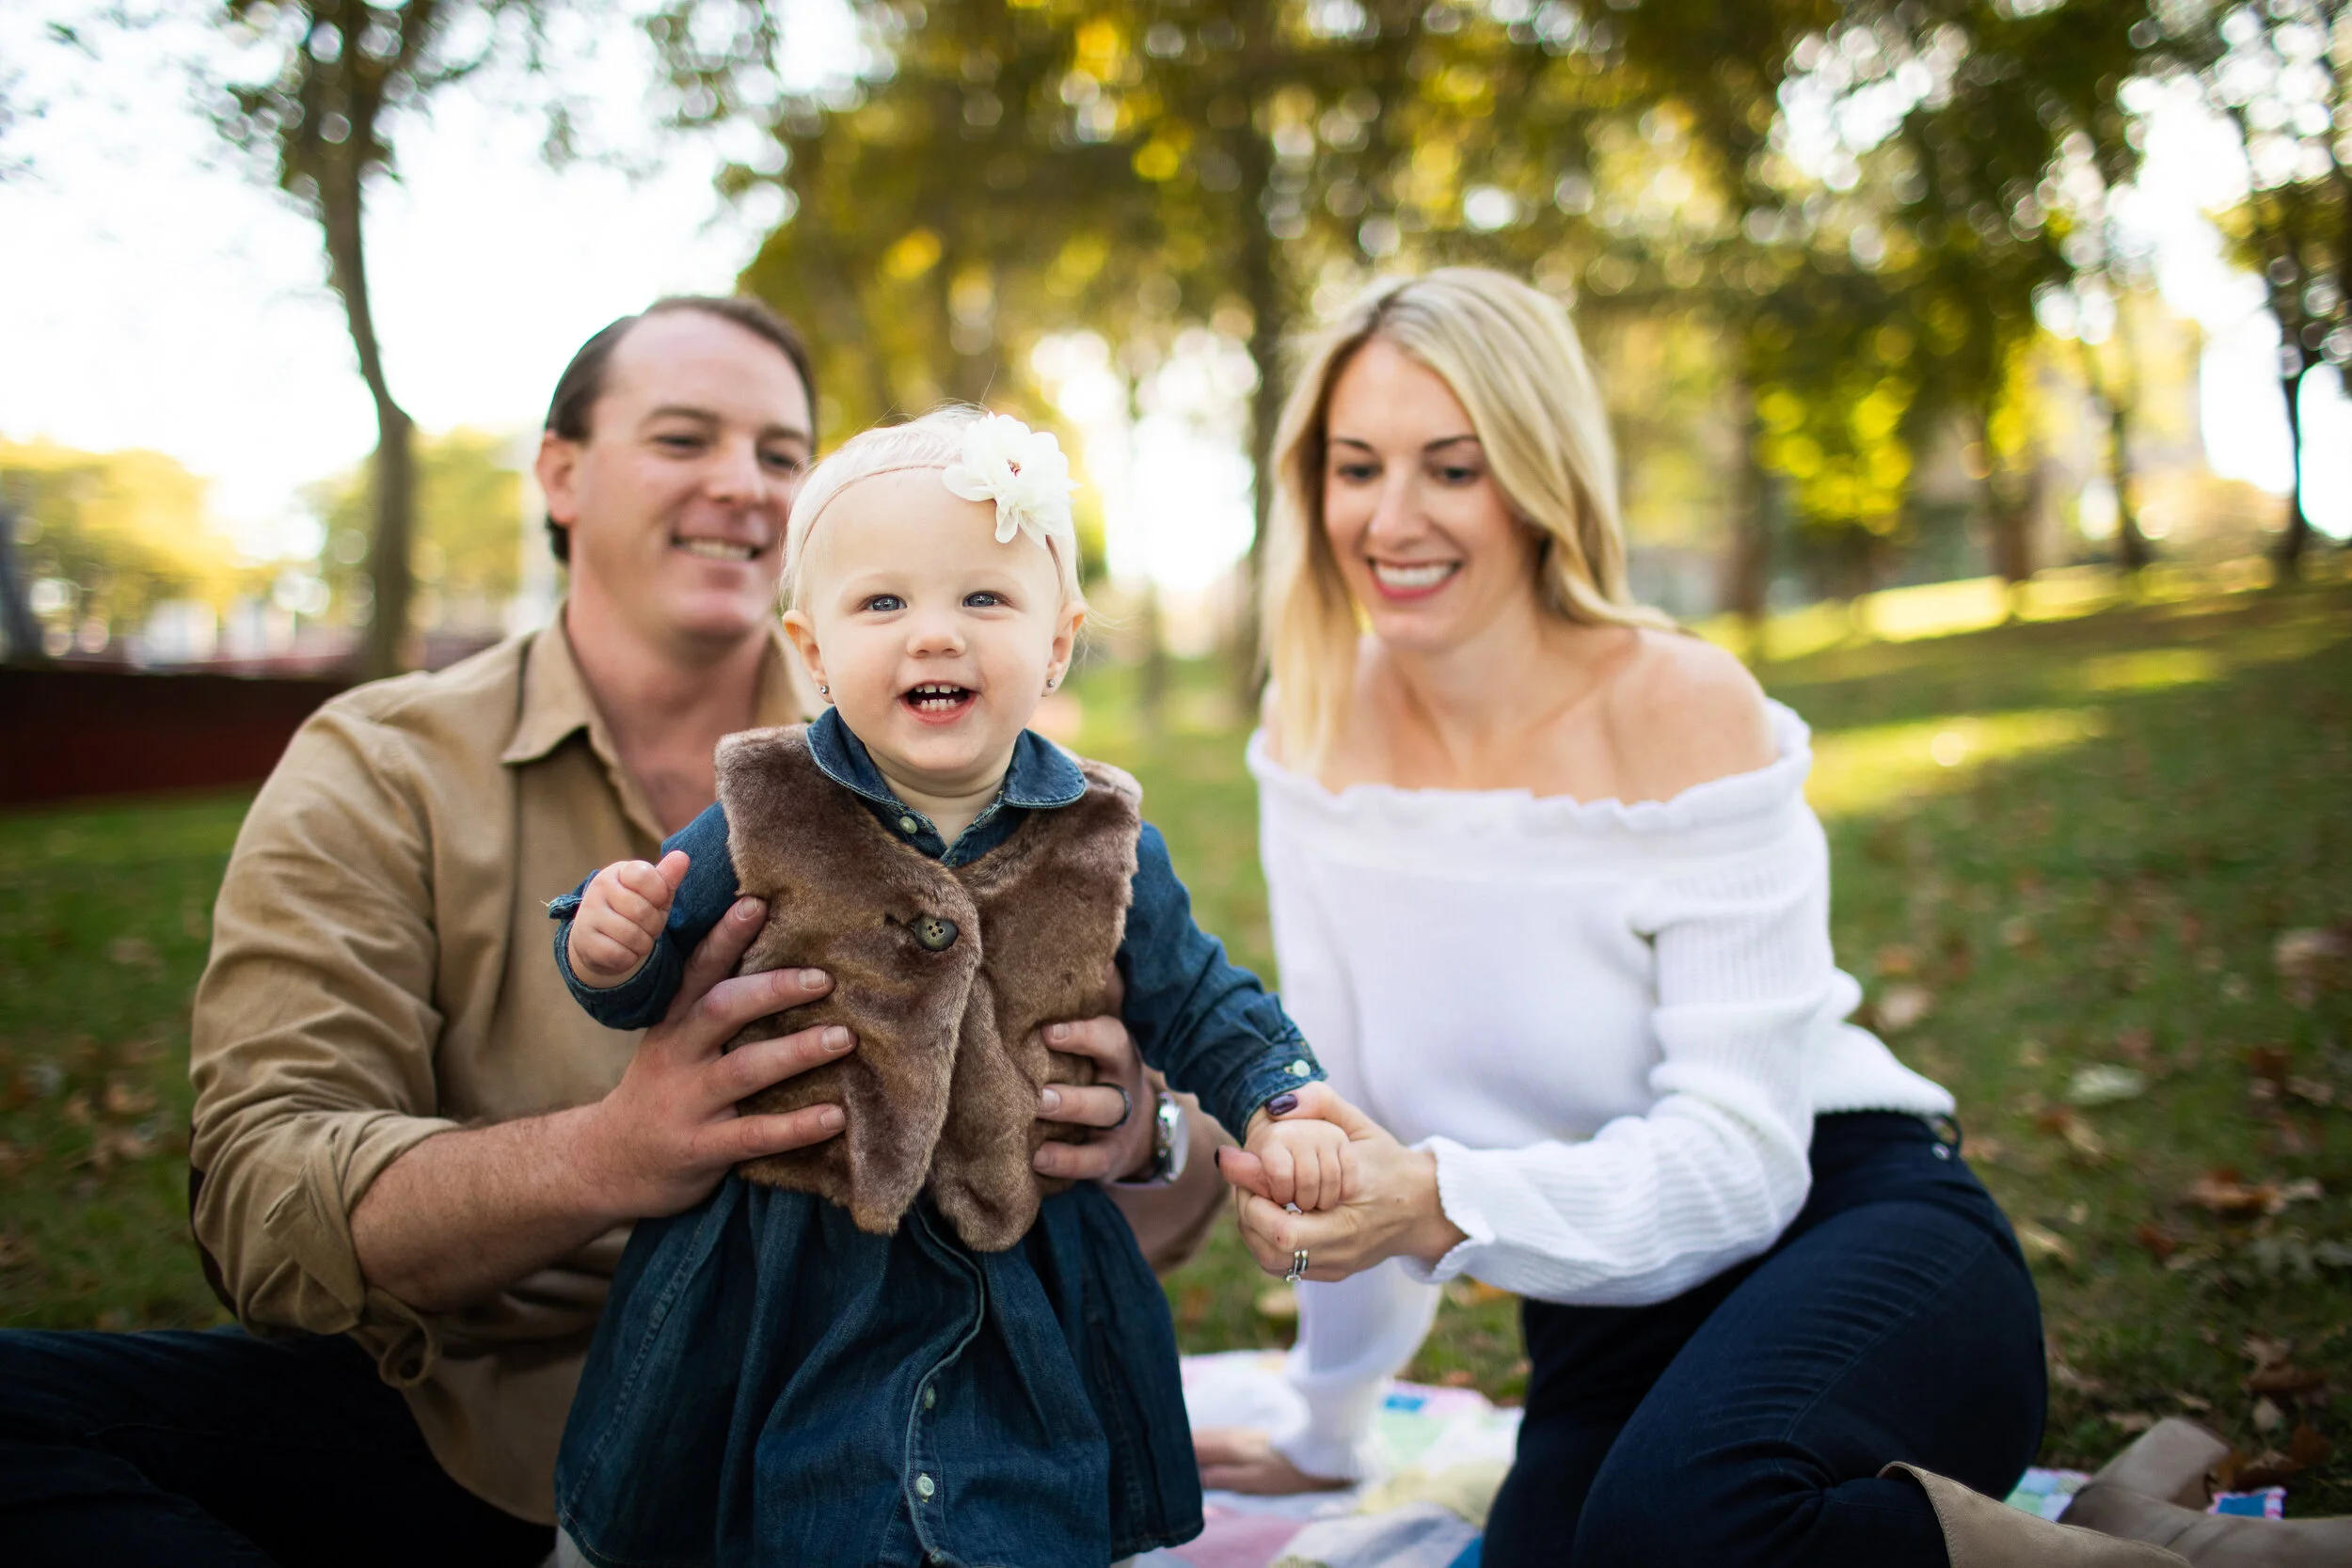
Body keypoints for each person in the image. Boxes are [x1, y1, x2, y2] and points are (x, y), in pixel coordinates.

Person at [0, 297, 1228, 1568]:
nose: (741, 486)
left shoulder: (958, 749)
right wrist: (611, 1152)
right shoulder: (382, 764)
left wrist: (1146, 1129)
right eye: (684, 438)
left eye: (780, 452)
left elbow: (1192, 1159)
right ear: (561, 472)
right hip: (466, 1419)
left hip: (855, 1400)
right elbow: (261, 1201)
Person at [1194, 267, 2171, 1568]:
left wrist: (1437, 1194)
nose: (1391, 516)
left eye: (1453, 467)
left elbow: (1741, 1158)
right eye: (1356, 465)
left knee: (1685, 1520)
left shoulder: (1683, 706)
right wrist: (1328, 1418)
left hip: (1851, 1223)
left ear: (1538, 477)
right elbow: (1348, 1107)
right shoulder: (1311, 726)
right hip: (1606, 1302)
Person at [548, 407, 1345, 1568]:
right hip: (790, 1266)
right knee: (794, 1509)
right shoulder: (764, 810)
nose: (935, 636)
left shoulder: (1101, 836)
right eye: (883, 603)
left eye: (983, 598)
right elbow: (653, 958)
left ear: (1058, 639)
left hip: (1024, 1256)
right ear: (812, 649)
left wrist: (1280, 1091)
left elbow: (1198, 998)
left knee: (1020, 1502)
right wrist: (609, 943)